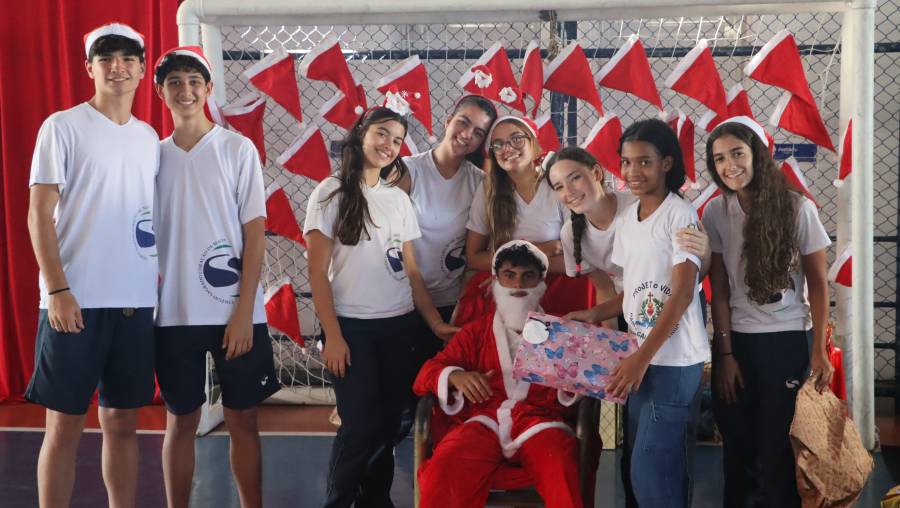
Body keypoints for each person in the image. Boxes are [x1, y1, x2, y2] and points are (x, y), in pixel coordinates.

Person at [25, 22, 159, 508]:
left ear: (142, 70)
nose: (117, 67)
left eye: (127, 59)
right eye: (106, 59)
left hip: (134, 302)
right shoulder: (62, 126)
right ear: (89, 68)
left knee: (122, 423)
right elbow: (39, 213)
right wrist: (59, 290)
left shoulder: (150, 138)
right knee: (63, 425)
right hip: (75, 301)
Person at [304, 106, 454, 508]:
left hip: (399, 327)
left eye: (397, 139)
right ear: (361, 134)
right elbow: (317, 273)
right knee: (359, 426)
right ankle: (339, 501)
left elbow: (411, 271)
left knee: (389, 424)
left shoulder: (397, 200)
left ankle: (376, 499)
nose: (389, 144)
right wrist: (333, 336)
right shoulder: (329, 193)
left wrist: (435, 323)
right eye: (382, 134)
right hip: (352, 329)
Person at [544, 145, 710, 507]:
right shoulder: (572, 233)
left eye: (575, 178)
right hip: (629, 312)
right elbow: (609, 287)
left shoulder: (637, 207)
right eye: (558, 186)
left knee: (664, 445)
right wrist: (610, 339)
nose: (569, 191)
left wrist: (706, 251)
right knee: (637, 438)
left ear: (597, 172)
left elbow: (685, 280)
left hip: (668, 310)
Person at [151, 46, 278, 508]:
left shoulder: (237, 149)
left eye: (193, 81)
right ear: (160, 91)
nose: (185, 90)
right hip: (175, 314)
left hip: (235, 313)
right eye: (175, 82)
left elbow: (255, 235)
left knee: (243, 420)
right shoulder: (152, 155)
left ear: (208, 88)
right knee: (180, 421)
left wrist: (244, 311)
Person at [703, 116, 834, 507]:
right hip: (738, 342)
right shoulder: (715, 212)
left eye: (737, 153)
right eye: (719, 158)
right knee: (737, 439)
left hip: (787, 341)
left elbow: (818, 285)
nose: (730, 165)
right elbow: (720, 291)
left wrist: (819, 349)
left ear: (758, 155)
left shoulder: (798, 208)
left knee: (777, 444)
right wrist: (725, 354)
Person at [414, 240, 594, 508]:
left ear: (541, 282)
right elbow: (427, 373)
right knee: (444, 468)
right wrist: (454, 376)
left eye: (528, 276)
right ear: (496, 279)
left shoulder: (562, 334)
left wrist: (572, 381)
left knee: (560, 465)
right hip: (482, 421)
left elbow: (586, 384)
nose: (518, 285)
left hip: (540, 422)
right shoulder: (475, 332)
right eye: (509, 275)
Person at [460, 116, 593, 324]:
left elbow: (580, 257)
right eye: (498, 144)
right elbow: (474, 257)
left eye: (517, 139)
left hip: (556, 281)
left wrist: (520, 261)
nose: (508, 148)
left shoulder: (556, 185)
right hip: (510, 281)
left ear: (534, 144)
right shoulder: (488, 190)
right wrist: (542, 249)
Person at [396, 94, 497, 360]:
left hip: (447, 300)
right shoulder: (409, 170)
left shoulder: (480, 183)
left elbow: (482, 246)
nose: (467, 134)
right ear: (448, 121)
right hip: (399, 298)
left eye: (478, 133)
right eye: (463, 122)